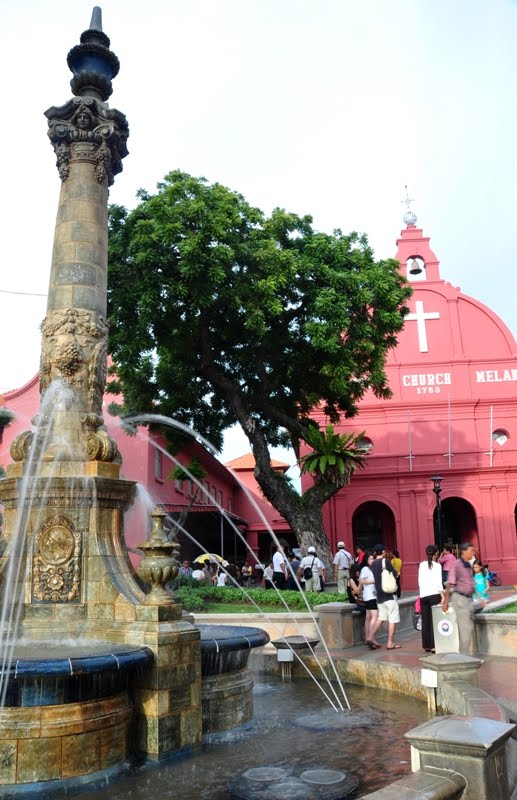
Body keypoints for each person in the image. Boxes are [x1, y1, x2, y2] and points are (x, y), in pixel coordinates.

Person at [442, 542, 476, 654]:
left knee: (467, 628)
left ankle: (465, 654)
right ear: (463, 551)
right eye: (470, 550)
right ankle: (464, 656)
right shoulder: (456, 564)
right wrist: (445, 602)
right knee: (465, 628)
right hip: (460, 599)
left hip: (468, 599)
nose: (473, 552)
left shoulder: (468, 564)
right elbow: (449, 583)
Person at [370, 544, 401, 650]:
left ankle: (370, 636)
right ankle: (390, 643)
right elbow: (396, 574)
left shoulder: (373, 564)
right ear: (383, 552)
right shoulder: (386, 562)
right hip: (389, 596)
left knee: (381, 618)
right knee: (392, 619)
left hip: (379, 596)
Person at [417, 544, 444, 652]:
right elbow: (438, 583)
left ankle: (427, 645)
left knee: (426, 620)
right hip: (434, 595)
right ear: (436, 553)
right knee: (434, 620)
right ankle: (434, 645)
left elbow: (420, 580)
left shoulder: (422, 565)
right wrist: (442, 595)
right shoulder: (437, 566)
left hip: (423, 595)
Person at [359, 551, 380, 648]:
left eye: (373, 558)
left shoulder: (371, 569)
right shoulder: (365, 569)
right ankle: (371, 637)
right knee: (375, 616)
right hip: (370, 595)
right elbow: (361, 580)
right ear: (366, 560)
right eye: (371, 559)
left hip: (370, 595)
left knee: (368, 616)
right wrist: (373, 581)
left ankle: (368, 637)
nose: (373, 560)